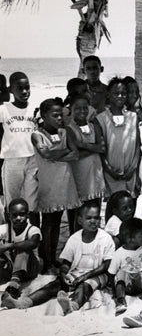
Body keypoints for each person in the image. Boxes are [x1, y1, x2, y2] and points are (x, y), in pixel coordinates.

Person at [1, 202, 114, 313]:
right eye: (89, 218)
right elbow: (66, 262)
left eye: (96, 218)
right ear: (80, 220)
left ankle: (72, 306)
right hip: (76, 273)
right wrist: (64, 274)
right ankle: (24, 302)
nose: (93, 221)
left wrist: (85, 276)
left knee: (85, 287)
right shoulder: (74, 238)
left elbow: (106, 265)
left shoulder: (105, 238)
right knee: (52, 286)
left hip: (95, 275)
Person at [31, 98, 81, 270]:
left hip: (65, 181)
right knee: (48, 222)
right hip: (49, 184)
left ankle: (52, 258)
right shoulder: (37, 135)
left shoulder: (64, 132)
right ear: (44, 115)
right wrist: (63, 151)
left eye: (61, 115)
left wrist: (55, 154)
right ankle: (46, 259)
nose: (59, 118)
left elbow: (75, 154)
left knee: (58, 221)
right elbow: (45, 154)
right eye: (55, 115)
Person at [0, 72, 39, 222]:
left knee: (32, 204)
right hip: (12, 161)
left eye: (27, 87)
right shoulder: (4, 109)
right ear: (11, 90)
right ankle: (11, 240)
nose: (24, 91)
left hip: (32, 160)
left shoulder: (35, 109)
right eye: (20, 88)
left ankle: (35, 238)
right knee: (12, 203)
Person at [110, 219, 142, 326]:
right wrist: (115, 291)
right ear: (130, 239)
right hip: (127, 284)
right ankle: (120, 300)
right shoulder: (119, 253)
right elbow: (112, 273)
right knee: (121, 273)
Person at [95, 78, 140, 197]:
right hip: (110, 173)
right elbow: (100, 149)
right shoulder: (101, 119)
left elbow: (137, 146)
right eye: (116, 93)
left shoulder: (133, 117)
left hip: (130, 173)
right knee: (113, 204)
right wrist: (109, 170)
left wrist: (133, 167)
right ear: (108, 95)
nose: (120, 96)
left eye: (123, 93)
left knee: (130, 203)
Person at [65, 94, 105, 217]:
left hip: (95, 177)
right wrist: (95, 148)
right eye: (77, 108)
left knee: (94, 209)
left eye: (85, 107)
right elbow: (76, 155)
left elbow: (102, 148)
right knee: (78, 212)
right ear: (70, 109)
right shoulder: (69, 129)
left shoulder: (95, 127)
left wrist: (81, 144)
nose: (82, 111)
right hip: (79, 177)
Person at [0, 198, 41, 301]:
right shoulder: (6, 229)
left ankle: (13, 287)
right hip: (12, 268)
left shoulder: (33, 230)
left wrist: (9, 246)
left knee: (23, 249)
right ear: (9, 216)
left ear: (28, 215)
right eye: (14, 215)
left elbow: (32, 243)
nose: (18, 218)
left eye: (22, 215)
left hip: (30, 269)